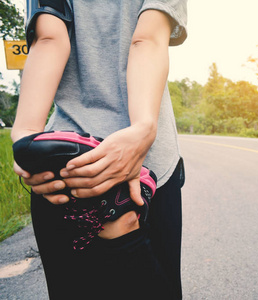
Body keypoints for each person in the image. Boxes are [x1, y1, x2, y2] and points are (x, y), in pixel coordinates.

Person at [11, 0, 187, 299]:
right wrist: (142, 129)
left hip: (62, 160)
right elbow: (148, 39)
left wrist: (25, 137)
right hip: (149, 168)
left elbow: (50, 39)